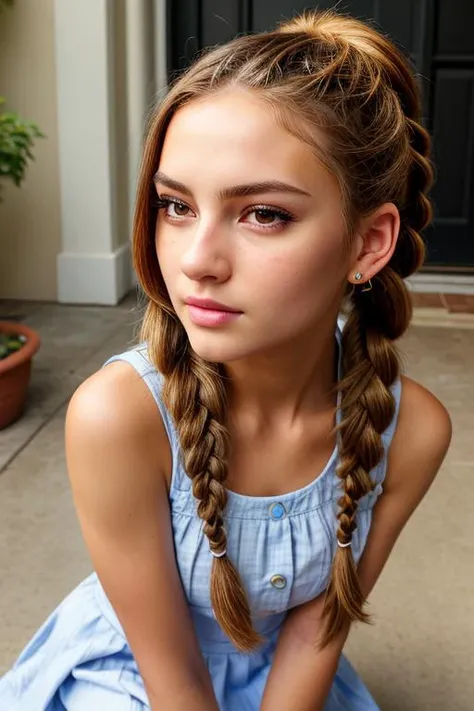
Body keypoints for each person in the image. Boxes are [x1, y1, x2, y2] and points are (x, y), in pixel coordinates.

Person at [0, 8, 452, 711]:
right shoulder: (119, 417)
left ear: (369, 243)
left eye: (263, 214)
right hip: (137, 676)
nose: (196, 262)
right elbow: (172, 677)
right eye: (175, 206)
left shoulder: (411, 430)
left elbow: (318, 629)